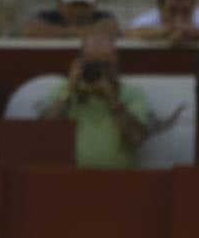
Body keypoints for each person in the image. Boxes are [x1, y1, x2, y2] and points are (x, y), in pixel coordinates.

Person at [36, 34, 152, 169]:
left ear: (116, 61)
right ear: (80, 62)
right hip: (71, 176)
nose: (100, 70)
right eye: (93, 63)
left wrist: (113, 100)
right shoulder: (64, 90)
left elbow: (136, 137)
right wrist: (69, 92)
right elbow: (43, 132)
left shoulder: (132, 94)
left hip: (120, 177)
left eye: (106, 63)